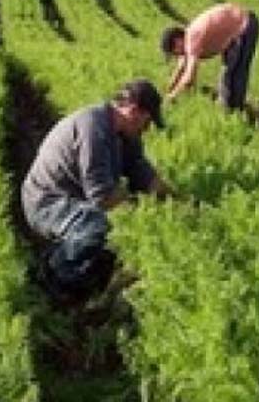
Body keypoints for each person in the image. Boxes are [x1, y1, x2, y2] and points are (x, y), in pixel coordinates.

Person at [21, 79, 172, 301]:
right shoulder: (93, 128)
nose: (146, 130)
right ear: (133, 111)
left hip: (74, 201)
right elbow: (102, 197)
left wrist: (176, 202)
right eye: (147, 122)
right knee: (98, 223)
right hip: (46, 202)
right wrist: (142, 214)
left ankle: (87, 281)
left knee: (105, 233)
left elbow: (143, 174)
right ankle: (51, 272)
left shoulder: (127, 136)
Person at [160, 2, 259, 110]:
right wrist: (168, 90)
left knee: (236, 73)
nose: (176, 55)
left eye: (174, 52)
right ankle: (228, 109)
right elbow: (180, 69)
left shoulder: (191, 39)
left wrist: (172, 98)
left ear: (177, 41)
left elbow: (189, 79)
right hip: (234, 30)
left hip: (245, 25)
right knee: (227, 77)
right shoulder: (188, 37)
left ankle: (236, 109)